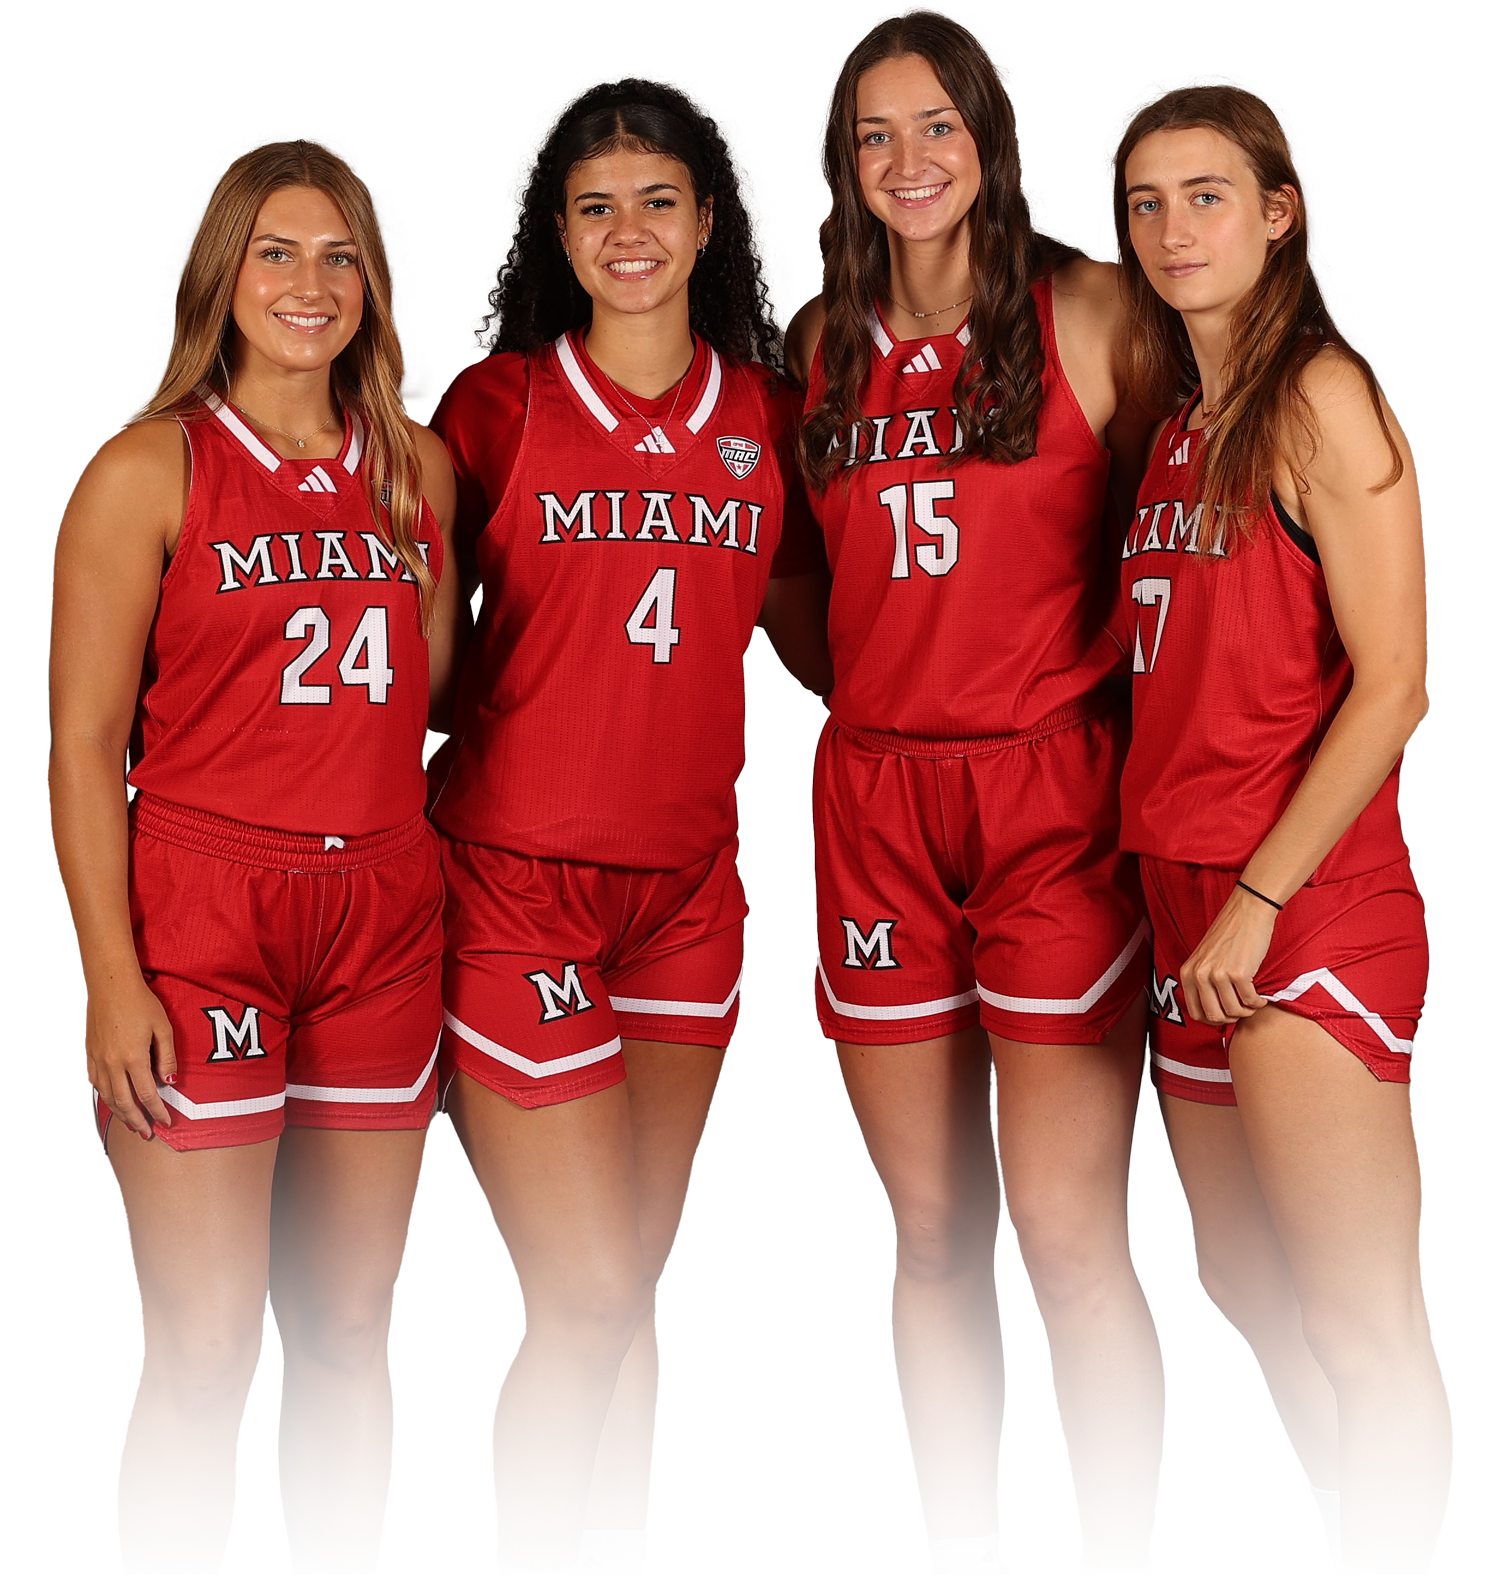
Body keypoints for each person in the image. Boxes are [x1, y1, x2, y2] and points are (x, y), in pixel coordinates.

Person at [427, 74, 831, 1575]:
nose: (628, 230)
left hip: (687, 891)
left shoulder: (767, 417)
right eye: (593, 207)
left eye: (657, 199)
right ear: (558, 235)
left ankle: (612, 1559)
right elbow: (405, 632)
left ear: (710, 217)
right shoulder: (496, 405)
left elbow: (818, 644)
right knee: (583, 1289)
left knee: (631, 1284)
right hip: (516, 879)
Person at [48, 136, 460, 1574]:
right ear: (219, 277)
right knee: (212, 1343)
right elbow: (83, 749)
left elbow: (427, 702)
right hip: (202, 913)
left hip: (379, 917)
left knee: (348, 1324)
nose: (309, 281)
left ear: (374, 284)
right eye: (277, 251)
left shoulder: (417, 473)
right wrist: (112, 974)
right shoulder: (140, 471)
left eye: (338, 254)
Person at [787, 9, 1163, 1575]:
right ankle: (963, 1561)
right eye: (876, 134)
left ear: (991, 137)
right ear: (842, 163)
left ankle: (1117, 1563)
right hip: (878, 799)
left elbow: (1180, 546)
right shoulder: (821, 344)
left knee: (1068, 1234)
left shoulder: (1093, 313)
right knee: (935, 1233)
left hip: (1055, 795)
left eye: (936, 125)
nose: (908, 160)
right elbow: (804, 595)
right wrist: (898, 702)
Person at [1111, 79, 1449, 1575]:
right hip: (1186, 900)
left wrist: (1257, 893)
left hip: (1299, 903)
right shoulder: (1189, 416)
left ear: (1278, 212)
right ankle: (1346, 1535)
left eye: (1206, 195)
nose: (1176, 228)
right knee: (1240, 1277)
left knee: (1362, 1317)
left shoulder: (1321, 394)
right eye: (1147, 201)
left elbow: (1396, 689)